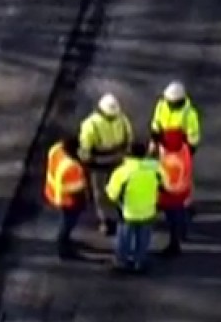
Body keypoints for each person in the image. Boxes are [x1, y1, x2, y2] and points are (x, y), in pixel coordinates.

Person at [77, 93, 133, 236]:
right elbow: (86, 146)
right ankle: (108, 220)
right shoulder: (91, 124)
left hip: (109, 162)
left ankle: (114, 218)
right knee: (103, 194)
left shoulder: (120, 118)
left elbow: (129, 136)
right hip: (103, 164)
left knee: (111, 192)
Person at [104, 144, 164, 273]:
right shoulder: (155, 169)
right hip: (148, 210)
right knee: (143, 238)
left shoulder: (123, 172)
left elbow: (112, 193)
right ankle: (140, 261)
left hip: (128, 211)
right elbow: (165, 184)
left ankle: (122, 261)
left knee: (124, 237)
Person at [42, 135, 89, 259]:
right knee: (67, 223)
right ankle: (64, 249)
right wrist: (84, 203)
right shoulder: (72, 168)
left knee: (65, 222)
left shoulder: (56, 150)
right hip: (68, 201)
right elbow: (77, 191)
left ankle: (65, 242)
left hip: (53, 192)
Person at [156, 140, 194, 256]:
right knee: (181, 213)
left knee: (173, 219)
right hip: (183, 191)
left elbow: (163, 178)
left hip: (170, 194)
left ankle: (175, 243)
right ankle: (181, 234)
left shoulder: (169, 161)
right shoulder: (184, 153)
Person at [150, 81, 202, 155]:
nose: (170, 104)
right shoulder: (161, 105)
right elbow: (156, 122)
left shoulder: (189, 114)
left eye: (173, 102)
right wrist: (154, 140)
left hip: (180, 150)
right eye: (169, 101)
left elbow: (193, 134)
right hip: (163, 145)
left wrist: (190, 151)